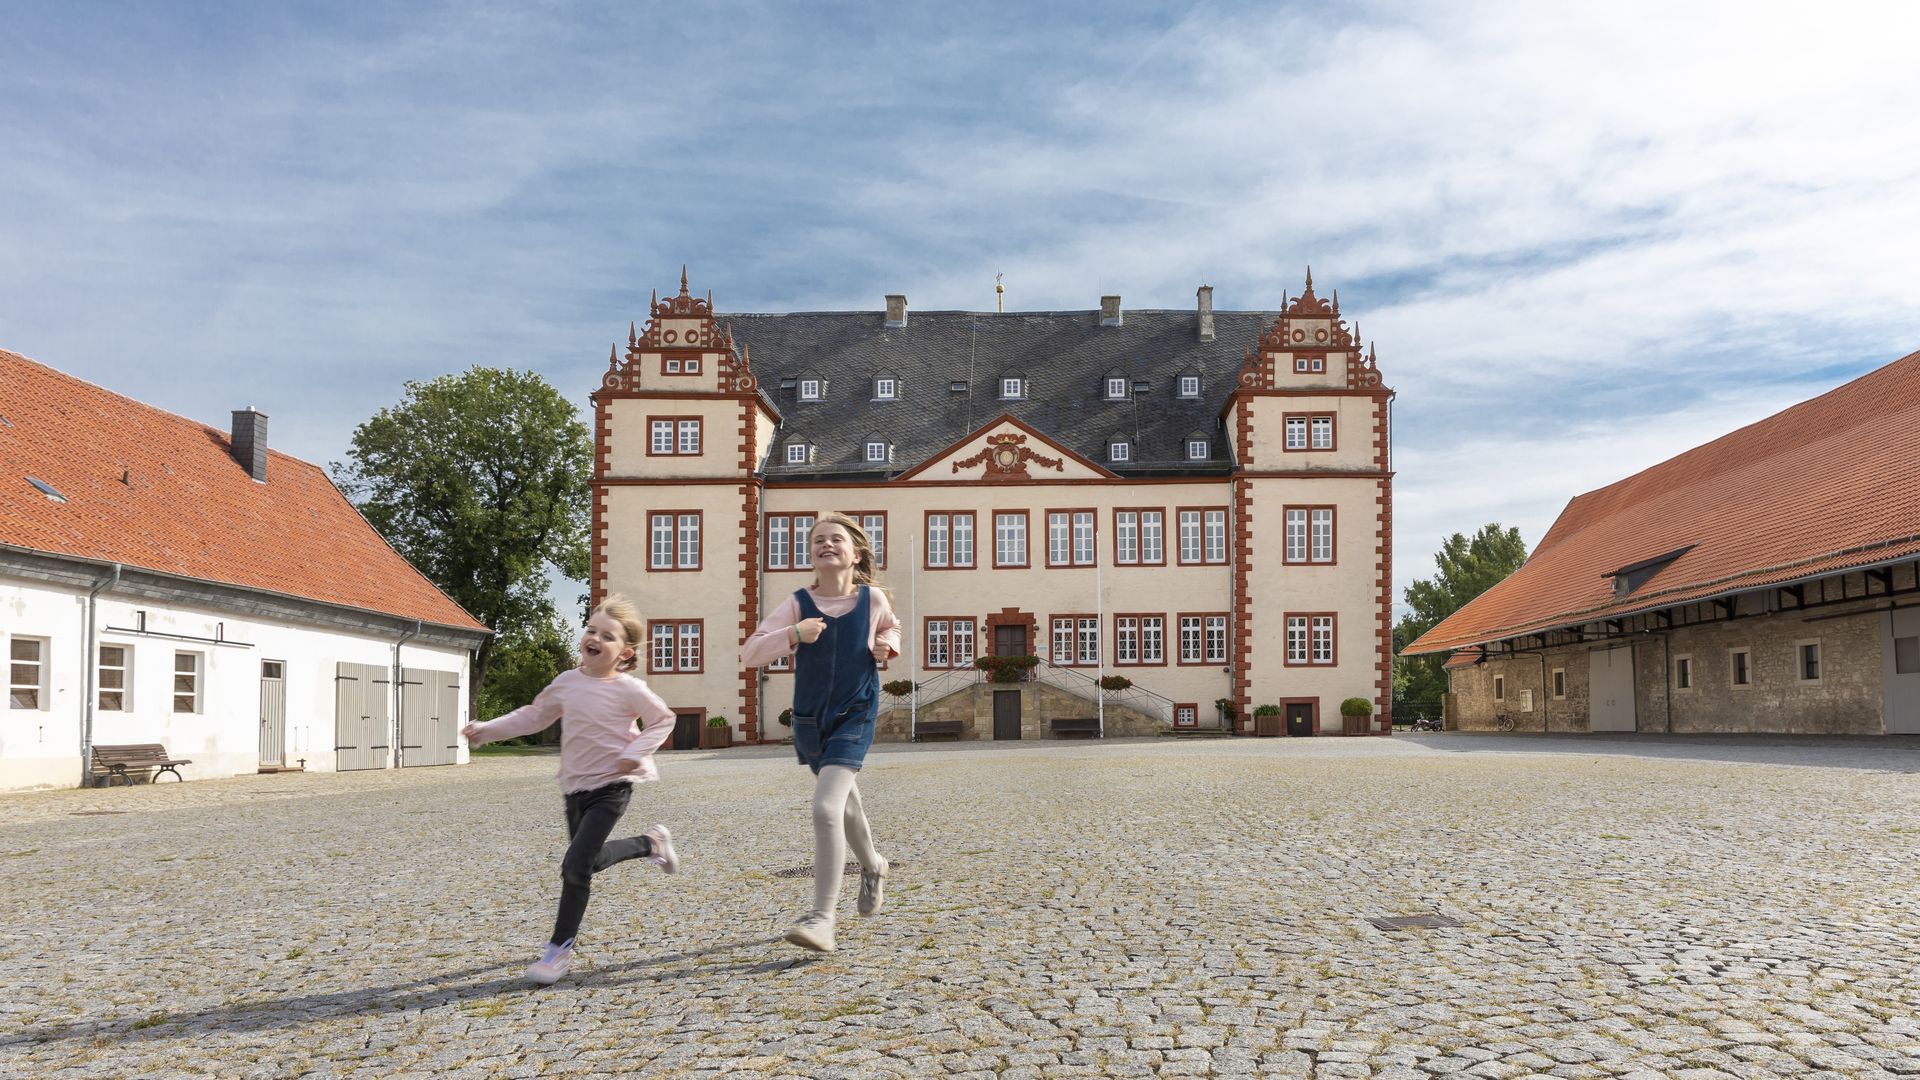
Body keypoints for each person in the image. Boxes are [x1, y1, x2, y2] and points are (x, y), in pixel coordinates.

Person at [462, 594, 679, 984]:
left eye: (607, 636)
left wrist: (636, 751)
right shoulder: (566, 682)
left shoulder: (629, 688)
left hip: (613, 787)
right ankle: (651, 844)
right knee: (590, 861)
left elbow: (663, 720)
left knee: (575, 867)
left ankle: (558, 950)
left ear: (625, 653)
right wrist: (488, 730)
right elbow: (533, 715)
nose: (594, 638)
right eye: (591, 629)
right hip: (575, 787)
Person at [740, 512, 902, 953]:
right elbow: (751, 652)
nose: (826, 545)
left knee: (826, 807)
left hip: (855, 713)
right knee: (847, 805)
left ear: (856, 553)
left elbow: (890, 627)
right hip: (810, 721)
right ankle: (873, 865)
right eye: (818, 541)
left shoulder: (872, 601)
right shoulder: (797, 603)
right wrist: (793, 634)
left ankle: (822, 918)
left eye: (836, 539)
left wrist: (888, 645)